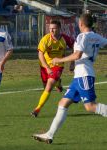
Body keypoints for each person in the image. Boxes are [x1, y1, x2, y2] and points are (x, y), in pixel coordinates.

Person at [32, 13, 107, 144]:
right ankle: (49, 135)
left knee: (90, 106)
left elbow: (77, 55)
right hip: (79, 76)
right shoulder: (96, 36)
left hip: (84, 74)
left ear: (81, 24)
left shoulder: (81, 37)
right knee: (63, 103)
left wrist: (59, 60)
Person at [31, 20, 74, 117]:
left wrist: (72, 63)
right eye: (50, 28)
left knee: (49, 86)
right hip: (44, 66)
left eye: (54, 28)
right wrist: (47, 68)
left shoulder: (65, 38)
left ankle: (37, 109)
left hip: (58, 66)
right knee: (45, 85)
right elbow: (40, 54)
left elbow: (75, 47)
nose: (51, 30)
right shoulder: (45, 39)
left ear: (59, 28)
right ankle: (58, 83)